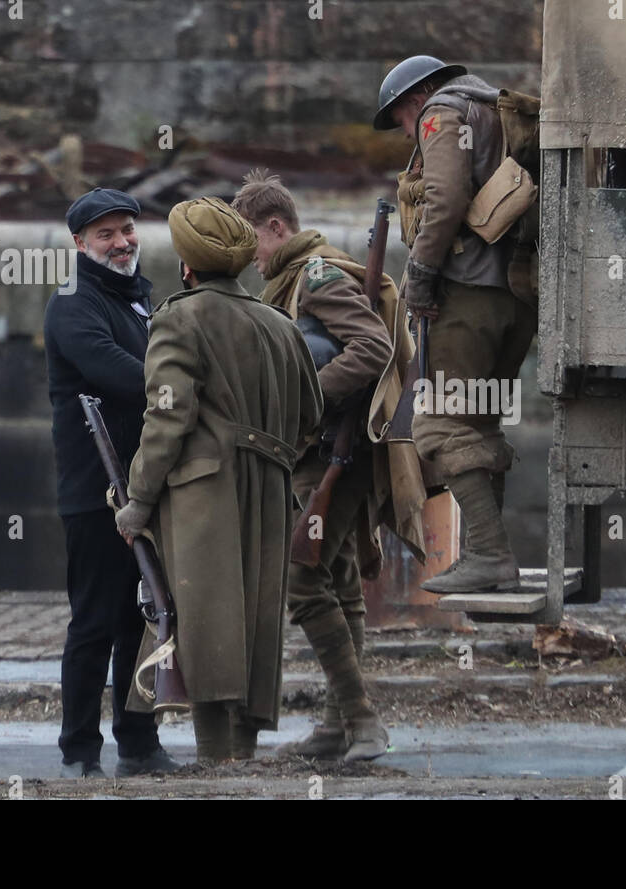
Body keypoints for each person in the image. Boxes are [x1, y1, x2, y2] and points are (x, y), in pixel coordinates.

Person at [114, 197, 324, 764]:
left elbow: (167, 417)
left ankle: (214, 761)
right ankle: (242, 756)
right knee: (255, 623)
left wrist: (137, 498)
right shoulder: (280, 324)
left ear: (187, 265)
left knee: (204, 620)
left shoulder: (178, 318)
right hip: (274, 489)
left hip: (202, 495)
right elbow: (310, 416)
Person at [231, 169, 398, 761]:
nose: (249, 258)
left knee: (302, 582)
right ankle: (335, 729)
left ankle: (363, 720)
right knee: (340, 583)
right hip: (315, 455)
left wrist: (307, 397)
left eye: (251, 241)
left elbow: (372, 349)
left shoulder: (316, 276)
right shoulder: (290, 281)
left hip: (335, 453)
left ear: (276, 228)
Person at [373, 55, 539, 595]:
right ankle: (487, 559)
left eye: (400, 118)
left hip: (465, 300)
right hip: (514, 298)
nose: (405, 131)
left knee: (439, 426)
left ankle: (490, 556)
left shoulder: (442, 114)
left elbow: (444, 200)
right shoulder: (498, 109)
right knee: (480, 425)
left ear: (415, 98)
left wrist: (418, 277)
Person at [43, 187, 178, 778]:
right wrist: (181, 387)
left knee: (143, 619)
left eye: (127, 230)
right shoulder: (73, 302)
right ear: (79, 243)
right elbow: (114, 371)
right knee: (96, 623)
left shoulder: (140, 299)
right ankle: (78, 752)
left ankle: (139, 743)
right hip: (96, 493)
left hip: (145, 488)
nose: (122, 242)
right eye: (106, 234)